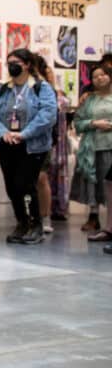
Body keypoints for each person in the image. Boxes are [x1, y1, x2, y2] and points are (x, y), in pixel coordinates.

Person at [0, 48, 58, 245]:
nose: (12, 65)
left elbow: (48, 115)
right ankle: (21, 223)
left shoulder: (42, 88)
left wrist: (24, 134)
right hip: (7, 144)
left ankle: (35, 225)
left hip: (32, 145)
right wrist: (3, 133)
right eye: (9, 62)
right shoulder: (2, 90)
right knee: (12, 186)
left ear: (27, 65)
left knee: (25, 184)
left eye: (16, 61)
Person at [70, 64, 112, 241]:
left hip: (110, 147)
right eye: (95, 76)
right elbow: (78, 123)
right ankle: (95, 218)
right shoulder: (88, 100)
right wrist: (94, 124)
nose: (99, 78)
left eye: (103, 75)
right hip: (92, 148)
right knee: (95, 186)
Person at [36, 60, 71, 232]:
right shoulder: (35, 91)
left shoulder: (57, 93)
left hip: (57, 138)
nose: (48, 75)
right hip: (41, 139)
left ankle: (53, 212)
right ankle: (35, 215)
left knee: (51, 175)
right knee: (41, 177)